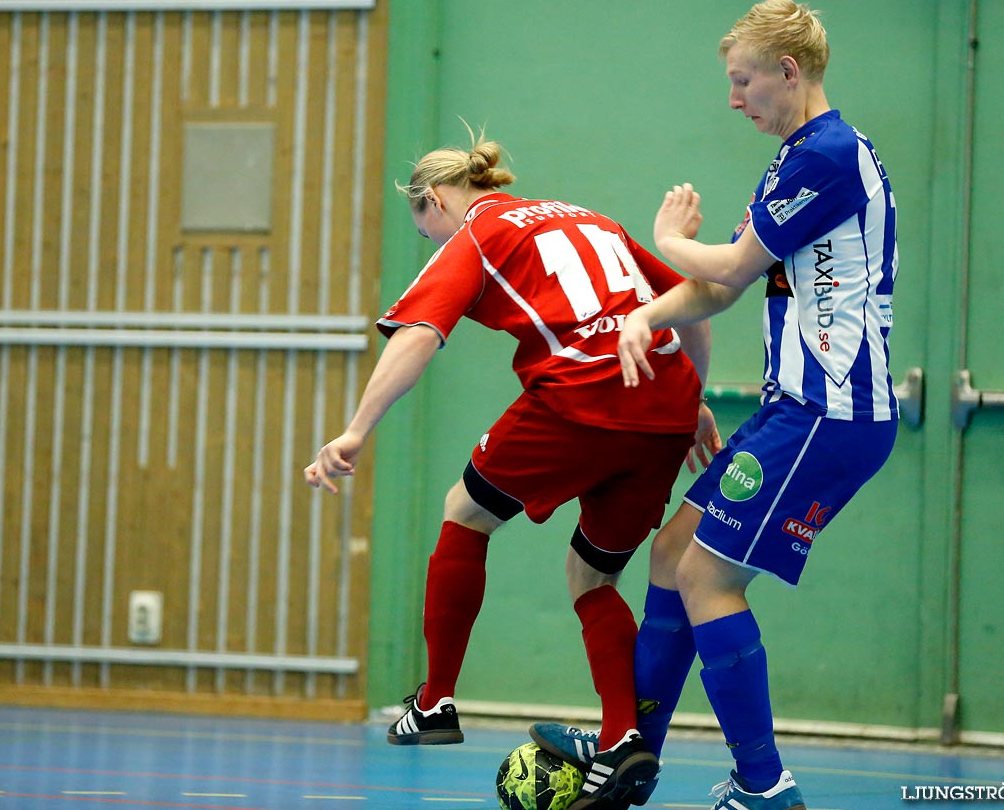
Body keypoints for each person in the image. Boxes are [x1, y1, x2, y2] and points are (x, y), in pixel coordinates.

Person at [530, 0, 898, 810]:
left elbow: (725, 267)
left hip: (827, 414)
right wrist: (645, 317)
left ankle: (764, 786)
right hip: (794, 412)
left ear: (789, 72)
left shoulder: (827, 157)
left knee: (705, 578)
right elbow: (723, 288)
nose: (735, 100)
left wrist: (664, 235)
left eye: (744, 82)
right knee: (671, 555)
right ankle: (632, 749)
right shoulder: (800, 159)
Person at [304, 133, 724, 808]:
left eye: (427, 231)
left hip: (580, 397)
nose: (434, 244)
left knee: (464, 512)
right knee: (593, 574)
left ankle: (435, 700)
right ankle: (622, 740)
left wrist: (355, 431)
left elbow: (418, 334)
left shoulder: (477, 235)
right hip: (664, 405)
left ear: (438, 201)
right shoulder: (590, 218)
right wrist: (694, 396)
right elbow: (693, 301)